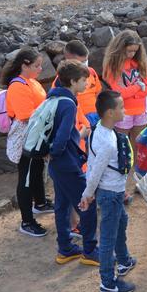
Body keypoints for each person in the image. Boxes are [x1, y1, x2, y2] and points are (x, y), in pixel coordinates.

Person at [79, 90, 137, 292]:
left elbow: (91, 162)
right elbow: (95, 171)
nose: (125, 110)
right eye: (121, 107)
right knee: (108, 238)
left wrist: (90, 191)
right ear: (111, 113)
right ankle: (108, 281)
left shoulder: (99, 130)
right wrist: (87, 194)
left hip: (114, 192)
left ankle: (123, 260)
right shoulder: (108, 142)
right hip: (111, 194)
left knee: (122, 222)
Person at [47, 60, 100, 266]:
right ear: (72, 81)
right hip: (67, 164)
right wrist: (81, 135)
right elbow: (61, 138)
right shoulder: (69, 104)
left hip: (57, 165)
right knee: (86, 205)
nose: (87, 84)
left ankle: (66, 249)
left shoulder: (53, 97)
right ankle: (89, 250)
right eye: (83, 80)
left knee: (62, 206)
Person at [2, 47, 52, 237]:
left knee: (36, 170)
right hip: (27, 138)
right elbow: (25, 116)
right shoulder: (18, 86)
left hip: (35, 135)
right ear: (25, 65)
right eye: (37, 66)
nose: (40, 69)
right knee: (26, 178)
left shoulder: (30, 82)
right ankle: (27, 221)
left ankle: (40, 203)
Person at [102, 30, 147, 147]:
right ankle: (125, 166)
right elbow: (120, 93)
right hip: (123, 113)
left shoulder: (140, 63)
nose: (132, 54)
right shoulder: (112, 67)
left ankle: (136, 166)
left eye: (135, 51)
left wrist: (134, 93)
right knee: (123, 146)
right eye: (129, 51)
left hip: (141, 111)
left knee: (139, 145)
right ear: (120, 48)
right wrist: (139, 86)